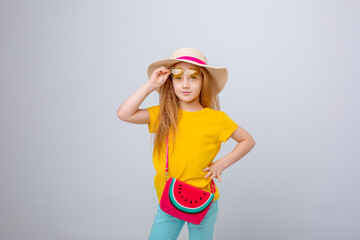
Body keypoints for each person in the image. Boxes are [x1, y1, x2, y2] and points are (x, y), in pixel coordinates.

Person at [117, 47, 255, 240]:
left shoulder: (217, 119)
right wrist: (151, 85)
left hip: (205, 201)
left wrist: (221, 164)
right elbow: (124, 113)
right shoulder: (163, 114)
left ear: (204, 81)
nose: (186, 84)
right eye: (178, 77)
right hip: (169, 198)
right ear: (170, 81)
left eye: (193, 77)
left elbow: (247, 140)